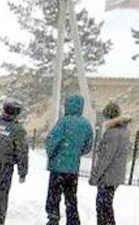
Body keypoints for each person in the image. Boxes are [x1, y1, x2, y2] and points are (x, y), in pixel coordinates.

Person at [45, 94, 94, 225]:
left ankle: (53, 217)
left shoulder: (64, 121)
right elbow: (88, 146)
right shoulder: (86, 124)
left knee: (54, 194)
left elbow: (53, 140)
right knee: (71, 196)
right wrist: (77, 153)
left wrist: (51, 154)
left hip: (58, 166)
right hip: (73, 167)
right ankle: (73, 220)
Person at [89, 102, 132, 225]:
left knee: (102, 207)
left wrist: (95, 176)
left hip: (107, 177)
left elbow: (105, 159)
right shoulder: (125, 132)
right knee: (107, 205)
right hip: (116, 175)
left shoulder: (111, 134)